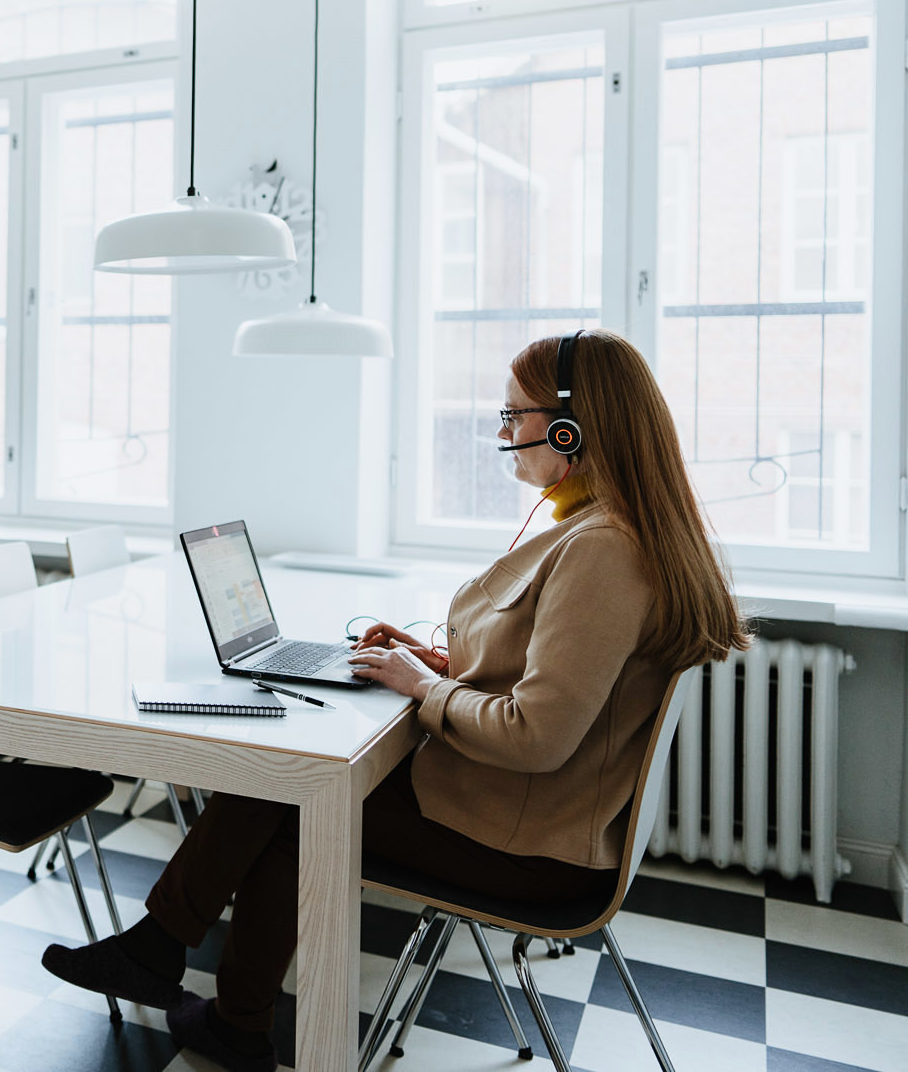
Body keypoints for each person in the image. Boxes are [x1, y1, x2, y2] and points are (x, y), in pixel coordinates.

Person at [41, 330, 748, 1072]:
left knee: (290, 797)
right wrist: (434, 662)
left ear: (571, 427)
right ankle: (198, 986)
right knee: (288, 785)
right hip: (532, 815)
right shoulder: (605, 530)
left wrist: (424, 688)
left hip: (532, 844)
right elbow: (549, 677)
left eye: (515, 416)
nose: (504, 434)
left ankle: (196, 984)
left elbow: (539, 733)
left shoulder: (603, 549)